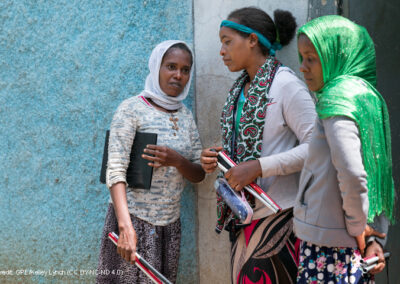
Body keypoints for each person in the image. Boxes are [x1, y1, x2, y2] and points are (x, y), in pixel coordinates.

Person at [200, 7, 316, 283]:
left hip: (281, 218)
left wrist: (258, 167)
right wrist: (219, 158)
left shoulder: (286, 85)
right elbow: (253, 143)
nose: (222, 51)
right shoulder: (240, 90)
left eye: (227, 41)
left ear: (252, 40)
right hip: (243, 217)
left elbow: (317, 147)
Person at [293, 15, 394, 283]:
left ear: (334, 56)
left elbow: (352, 173)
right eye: (302, 58)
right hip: (355, 242)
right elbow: (379, 176)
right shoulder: (366, 96)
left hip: (330, 245)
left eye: (311, 59)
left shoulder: (336, 101)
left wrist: (358, 228)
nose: (302, 67)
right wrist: (373, 237)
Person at [96, 40, 205, 284]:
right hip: (133, 223)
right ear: (156, 67)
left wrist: (177, 161)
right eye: (171, 66)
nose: (178, 75)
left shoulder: (185, 116)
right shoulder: (131, 109)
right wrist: (125, 227)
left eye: (185, 69)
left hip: (169, 227)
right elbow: (115, 170)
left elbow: (199, 173)